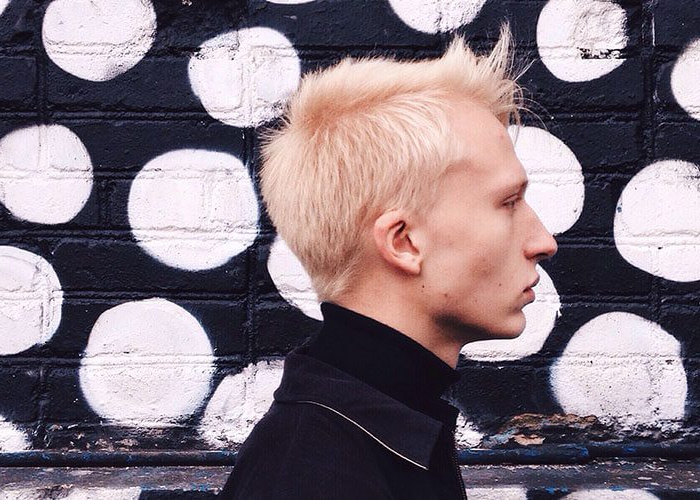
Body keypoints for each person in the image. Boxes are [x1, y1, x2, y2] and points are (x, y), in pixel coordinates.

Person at [218, 24, 558, 500]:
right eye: (507, 203)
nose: (543, 241)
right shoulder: (316, 476)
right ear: (403, 242)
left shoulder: (372, 429)